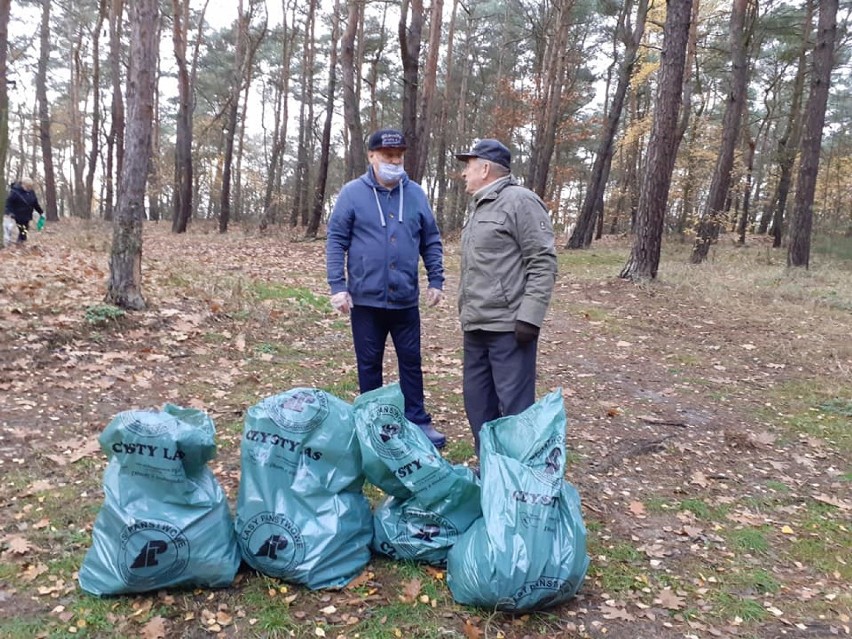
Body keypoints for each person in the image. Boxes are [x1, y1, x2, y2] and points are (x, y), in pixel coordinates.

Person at [326, 128, 447, 448]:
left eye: (399, 156)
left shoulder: (417, 194)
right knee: (369, 363)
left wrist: (436, 279)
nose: (394, 161)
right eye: (387, 156)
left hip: (405, 298)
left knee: (411, 361)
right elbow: (336, 240)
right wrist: (337, 285)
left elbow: (430, 239)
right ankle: (371, 422)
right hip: (365, 300)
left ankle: (418, 421)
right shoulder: (352, 193)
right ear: (371, 157)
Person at [455, 139, 558, 455]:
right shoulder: (480, 207)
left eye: (468, 166)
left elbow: (543, 260)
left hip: (509, 330)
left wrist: (530, 316)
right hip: (476, 326)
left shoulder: (520, 202)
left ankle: (517, 479)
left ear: (485, 168)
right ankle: (489, 469)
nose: (464, 174)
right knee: (477, 404)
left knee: (514, 410)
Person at [4, 177, 44, 247]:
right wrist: (9, 212)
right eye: (27, 186)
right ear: (22, 185)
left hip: (27, 215)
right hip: (17, 215)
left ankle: (21, 242)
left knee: (25, 230)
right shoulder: (15, 192)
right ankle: (16, 243)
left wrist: (40, 212)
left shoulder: (31, 193)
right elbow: (9, 203)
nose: (29, 188)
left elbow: (35, 203)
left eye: (30, 187)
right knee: (19, 229)